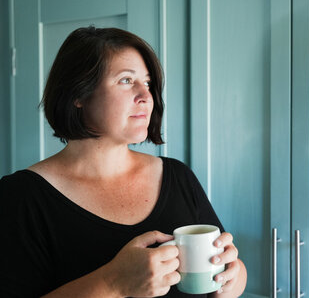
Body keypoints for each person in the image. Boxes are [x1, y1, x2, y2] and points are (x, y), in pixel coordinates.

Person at [0, 26, 247, 297]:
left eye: (149, 83)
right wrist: (113, 282)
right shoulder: (20, 196)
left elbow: (231, 271)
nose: (146, 96)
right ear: (78, 94)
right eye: (126, 81)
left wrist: (232, 277)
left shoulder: (177, 175)